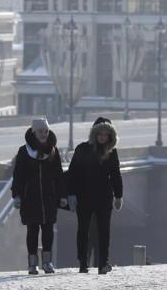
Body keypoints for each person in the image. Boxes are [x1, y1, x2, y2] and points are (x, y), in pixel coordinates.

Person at [67, 117, 124, 275]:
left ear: (110, 135)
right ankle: (83, 263)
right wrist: (71, 194)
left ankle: (103, 263)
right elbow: (73, 173)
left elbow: (115, 175)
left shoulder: (112, 152)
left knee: (104, 230)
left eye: (106, 134)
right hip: (84, 195)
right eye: (100, 134)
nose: (103, 137)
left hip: (104, 196)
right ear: (94, 134)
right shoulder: (82, 149)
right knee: (83, 229)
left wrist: (118, 195)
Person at [11, 118, 68, 275]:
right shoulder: (25, 151)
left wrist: (62, 195)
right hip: (31, 198)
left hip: (49, 197)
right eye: (40, 131)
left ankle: (47, 262)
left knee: (48, 229)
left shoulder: (52, 151)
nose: (43, 134)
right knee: (32, 230)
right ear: (34, 133)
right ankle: (32, 264)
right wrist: (17, 195)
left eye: (45, 131)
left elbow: (58, 175)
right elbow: (18, 176)